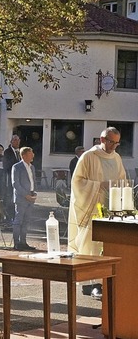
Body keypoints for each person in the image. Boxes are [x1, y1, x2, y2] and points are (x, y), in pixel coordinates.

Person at [68, 127, 126, 297]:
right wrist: (98, 185)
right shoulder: (89, 157)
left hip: (111, 209)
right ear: (102, 139)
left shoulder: (117, 158)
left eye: (117, 143)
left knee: (107, 245)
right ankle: (90, 283)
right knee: (91, 244)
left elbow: (122, 180)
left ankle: (104, 279)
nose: (113, 146)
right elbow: (77, 182)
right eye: (111, 142)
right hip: (91, 207)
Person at [11, 147, 37, 251]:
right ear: (24, 155)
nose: (33, 155)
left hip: (30, 197)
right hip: (21, 198)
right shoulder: (17, 167)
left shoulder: (32, 167)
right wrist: (25, 194)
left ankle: (23, 242)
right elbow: (15, 183)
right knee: (18, 221)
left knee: (26, 221)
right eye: (31, 154)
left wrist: (34, 192)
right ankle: (16, 243)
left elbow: (33, 181)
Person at [3, 135, 21, 223]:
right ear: (11, 142)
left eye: (18, 140)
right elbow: (6, 165)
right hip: (10, 178)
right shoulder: (8, 152)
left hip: (19, 178)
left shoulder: (20, 152)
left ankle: (16, 215)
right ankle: (9, 216)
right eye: (15, 140)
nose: (17, 142)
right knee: (10, 197)